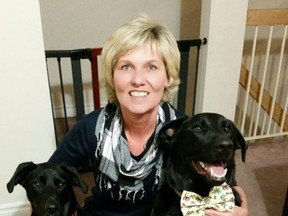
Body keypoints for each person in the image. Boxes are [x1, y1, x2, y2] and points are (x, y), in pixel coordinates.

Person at [48, 14, 248, 216]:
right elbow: (47, 177)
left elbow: (223, 177)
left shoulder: (183, 131)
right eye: (126, 67)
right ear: (112, 75)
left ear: (168, 76)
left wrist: (242, 209)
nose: (138, 80)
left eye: (151, 67)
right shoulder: (92, 126)